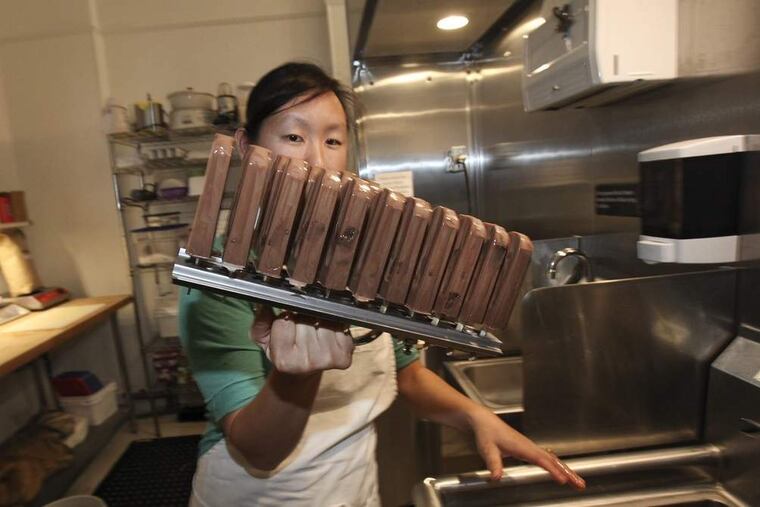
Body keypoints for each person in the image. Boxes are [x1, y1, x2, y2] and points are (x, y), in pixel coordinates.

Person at [179, 62, 585, 507]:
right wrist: (296, 378)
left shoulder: (365, 260)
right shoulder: (223, 275)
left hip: (355, 488)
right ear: (246, 145)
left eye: (333, 141)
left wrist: (476, 418)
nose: (317, 160)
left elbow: (408, 376)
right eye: (294, 137)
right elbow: (256, 449)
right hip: (259, 495)